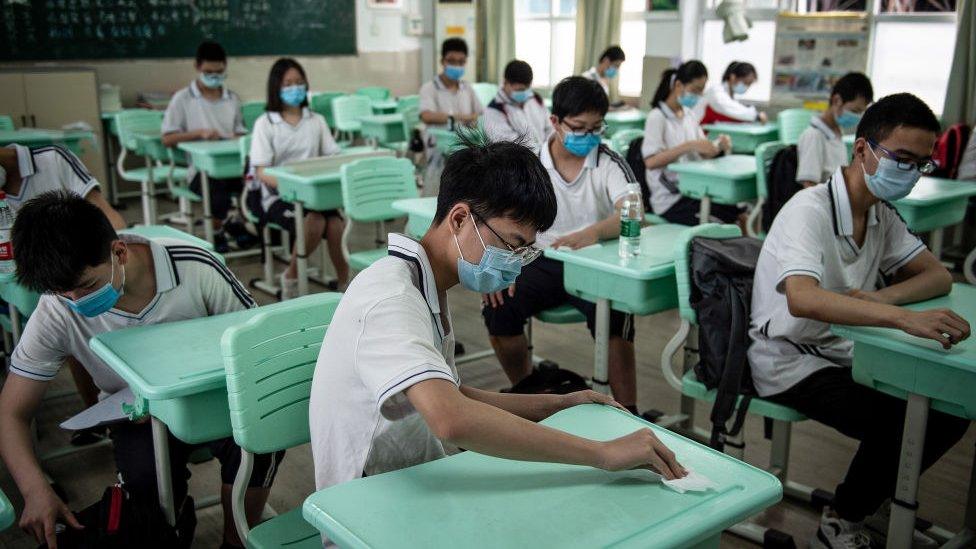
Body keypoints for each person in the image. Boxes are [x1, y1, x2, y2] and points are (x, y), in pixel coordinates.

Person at [308, 133, 686, 521]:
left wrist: (556, 404)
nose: (517, 263)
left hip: (416, 478)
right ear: (459, 219)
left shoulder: (425, 283)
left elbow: (452, 393)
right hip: (365, 510)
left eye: (526, 250)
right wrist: (601, 453)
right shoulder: (392, 298)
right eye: (512, 244)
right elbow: (450, 417)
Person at [748, 93, 970, 549]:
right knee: (903, 419)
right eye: (902, 159)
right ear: (862, 149)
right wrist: (899, 319)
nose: (909, 172)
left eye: (921, 164)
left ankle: (877, 498)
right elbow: (803, 299)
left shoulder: (879, 214)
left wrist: (874, 298)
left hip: (843, 350)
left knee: (948, 409)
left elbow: (937, 275)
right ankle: (843, 518)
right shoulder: (808, 209)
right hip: (790, 360)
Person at [0, 192, 282, 549]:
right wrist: (34, 488)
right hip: (134, 414)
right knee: (148, 491)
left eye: (87, 286)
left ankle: (236, 537)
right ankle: (175, 526)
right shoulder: (57, 309)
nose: (78, 304)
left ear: (119, 253)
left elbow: (260, 349)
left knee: (258, 441)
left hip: (214, 398)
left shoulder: (194, 267)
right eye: (63, 293)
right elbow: (11, 412)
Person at [482, 76, 640, 413]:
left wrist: (592, 234)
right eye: (580, 127)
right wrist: (498, 264)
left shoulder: (609, 162)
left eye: (597, 127)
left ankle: (629, 411)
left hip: (596, 262)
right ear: (555, 122)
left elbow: (631, 212)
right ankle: (529, 391)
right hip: (540, 257)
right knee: (499, 305)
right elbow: (501, 217)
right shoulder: (531, 163)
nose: (590, 136)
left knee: (615, 317)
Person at [0, 143, 126, 445]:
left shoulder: (52, 160)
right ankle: (100, 413)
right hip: (26, 292)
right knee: (70, 321)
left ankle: (116, 413)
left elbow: (112, 221)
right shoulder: (58, 301)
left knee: (87, 313)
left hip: (74, 278)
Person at [247, 58, 348, 298]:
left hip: (314, 195)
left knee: (335, 224)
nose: (295, 88)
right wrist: (293, 187)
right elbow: (261, 171)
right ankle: (292, 275)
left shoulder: (316, 120)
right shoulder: (266, 123)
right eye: (288, 83)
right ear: (276, 87)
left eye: (299, 82)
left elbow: (333, 155)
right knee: (315, 221)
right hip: (278, 195)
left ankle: (345, 282)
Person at [161, 40, 248, 252]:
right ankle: (221, 230)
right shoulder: (183, 99)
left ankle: (237, 225)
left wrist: (233, 137)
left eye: (219, 72)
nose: (214, 77)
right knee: (217, 192)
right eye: (209, 72)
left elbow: (240, 132)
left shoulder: (232, 99)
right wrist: (199, 133)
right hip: (198, 171)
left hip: (230, 167)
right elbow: (167, 138)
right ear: (198, 67)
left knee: (253, 184)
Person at [641, 61, 738, 226]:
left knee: (736, 211)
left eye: (701, 91)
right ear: (678, 85)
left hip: (693, 190)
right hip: (670, 199)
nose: (698, 96)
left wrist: (718, 145)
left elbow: (703, 151)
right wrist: (688, 146)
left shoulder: (689, 115)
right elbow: (651, 162)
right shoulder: (657, 117)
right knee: (720, 223)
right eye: (695, 90)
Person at [418, 38, 483, 197]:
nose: (457, 65)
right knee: (437, 193)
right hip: (439, 148)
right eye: (452, 61)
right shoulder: (430, 88)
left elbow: (480, 114)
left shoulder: (467, 88)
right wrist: (460, 117)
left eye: (461, 62)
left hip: (465, 146)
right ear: (442, 61)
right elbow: (426, 115)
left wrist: (465, 118)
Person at [796, 72, 873, 188]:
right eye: (855, 111)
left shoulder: (836, 133)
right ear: (837, 100)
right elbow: (809, 188)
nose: (857, 117)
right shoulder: (814, 136)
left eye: (861, 112)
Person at [483, 59, 551, 152]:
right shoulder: (494, 110)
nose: (524, 92)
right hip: (520, 162)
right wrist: (540, 154)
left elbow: (550, 128)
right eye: (520, 89)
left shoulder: (535, 100)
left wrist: (549, 152)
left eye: (527, 88)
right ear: (506, 83)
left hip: (546, 156)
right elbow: (509, 146)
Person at [697, 61, 768, 125]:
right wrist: (756, 115)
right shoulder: (716, 92)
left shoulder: (730, 97)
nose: (746, 87)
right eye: (745, 83)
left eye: (749, 84)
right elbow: (732, 109)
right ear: (733, 77)